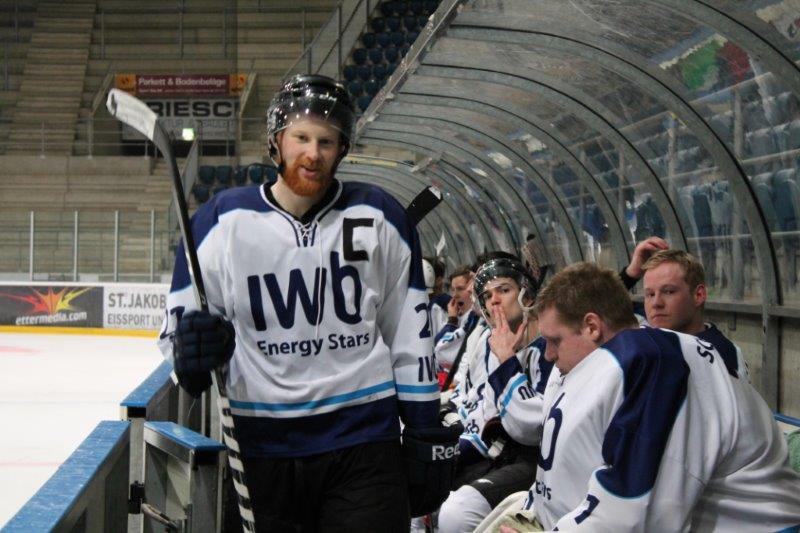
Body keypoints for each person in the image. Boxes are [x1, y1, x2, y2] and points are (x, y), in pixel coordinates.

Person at [157, 74, 460, 531]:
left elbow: (409, 336)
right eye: (301, 137)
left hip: (363, 444)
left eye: (326, 141)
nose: (313, 153)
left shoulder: (380, 215)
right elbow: (180, 337)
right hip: (261, 448)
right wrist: (193, 353)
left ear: (342, 149)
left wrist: (423, 426)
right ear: (276, 142)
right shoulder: (219, 222)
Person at [483, 262, 800, 532]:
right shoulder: (609, 364)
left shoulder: (655, 363)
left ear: (592, 327)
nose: (548, 355)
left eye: (555, 341)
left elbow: (638, 514)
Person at [437, 254, 552, 533]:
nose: (494, 301)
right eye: (487, 296)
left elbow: (531, 428)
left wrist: (506, 362)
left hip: (537, 459)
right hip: (501, 449)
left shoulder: (549, 346)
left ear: (527, 295)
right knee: (431, 474)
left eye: (504, 290)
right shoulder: (495, 344)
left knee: (457, 513)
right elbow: (487, 412)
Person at [641, 248, 749, 379]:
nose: (656, 303)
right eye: (650, 294)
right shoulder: (644, 345)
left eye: (669, 291)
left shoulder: (723, 356)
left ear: (698, 295)